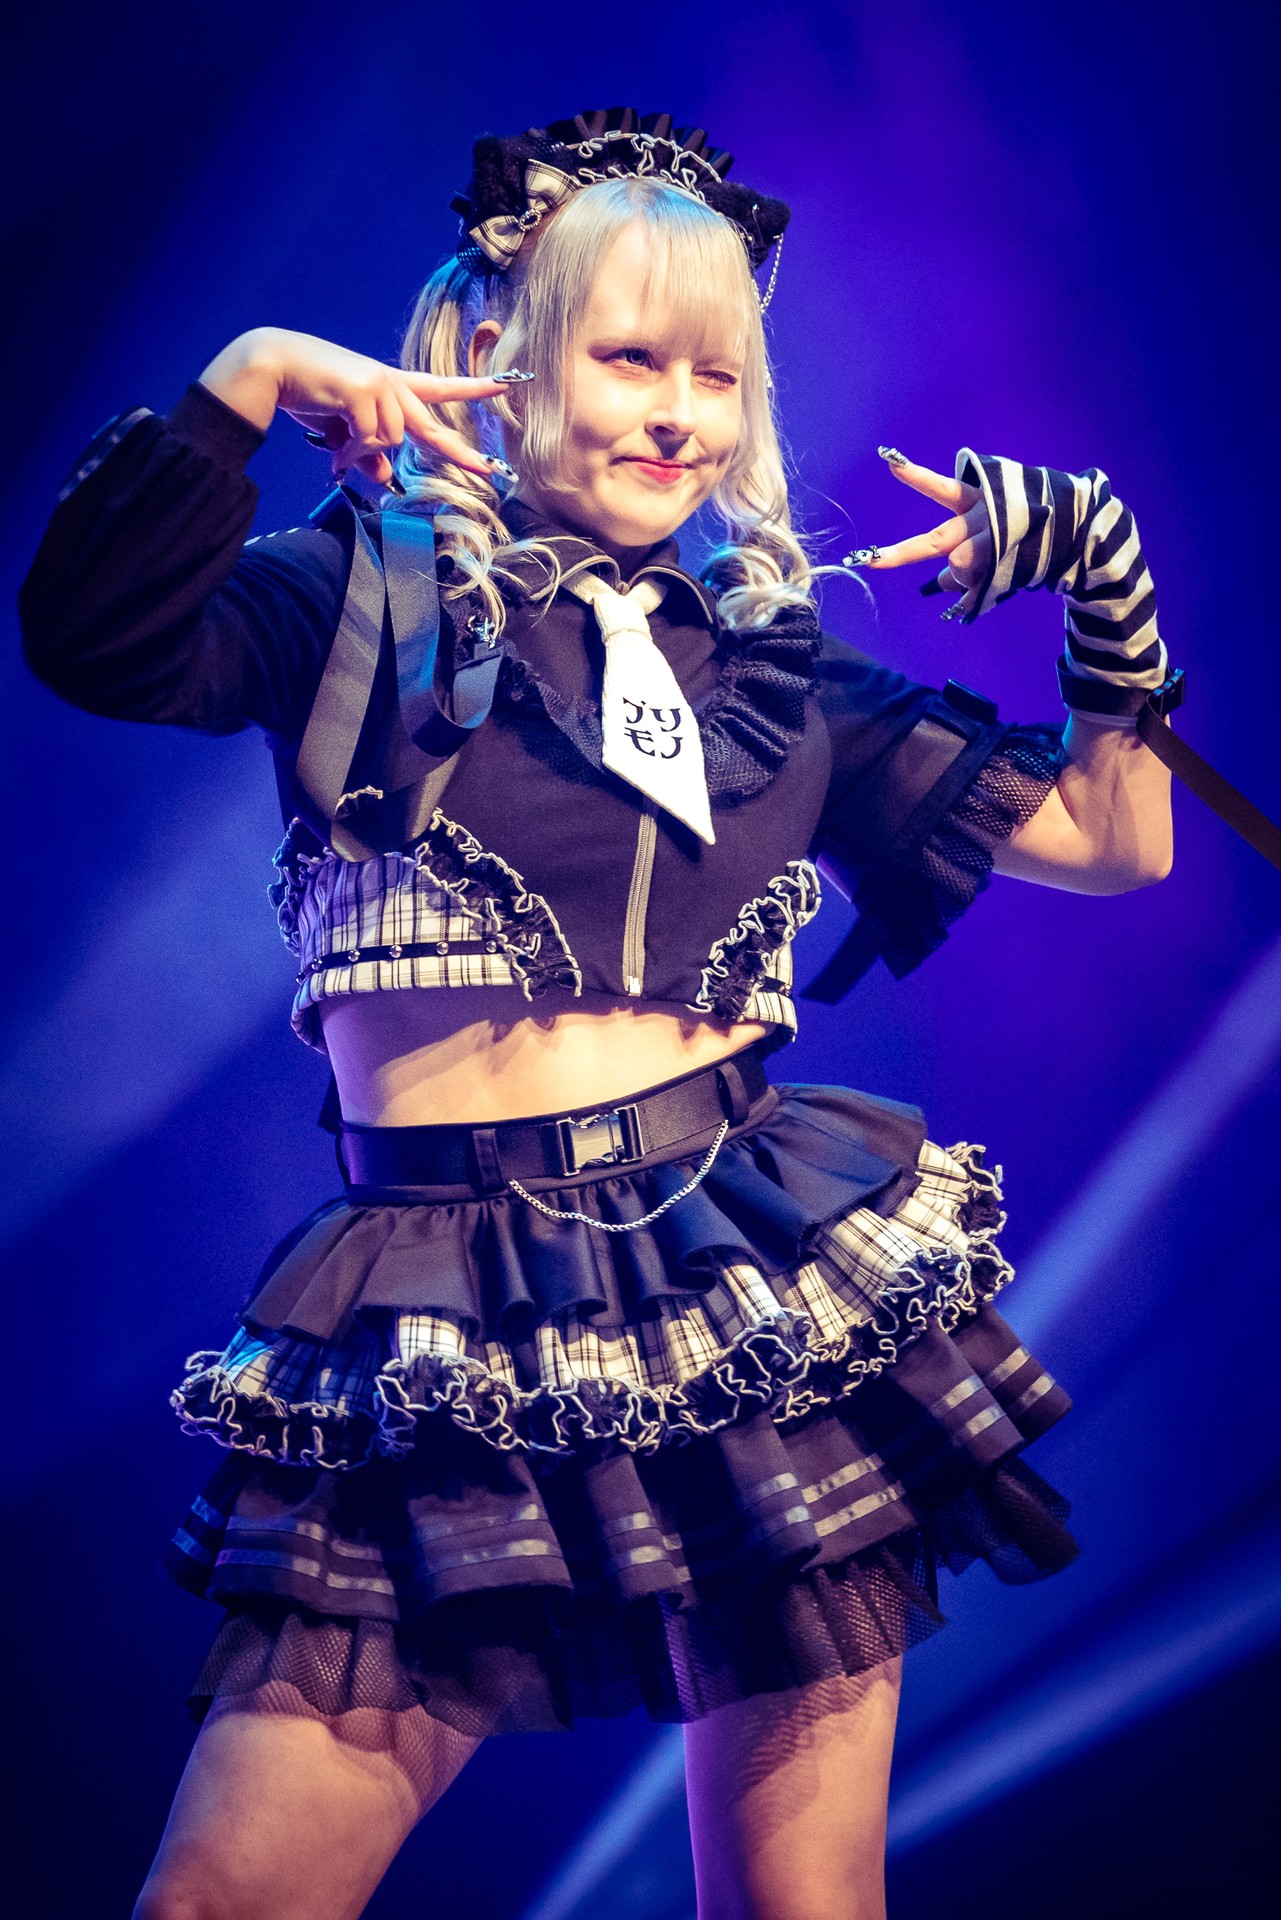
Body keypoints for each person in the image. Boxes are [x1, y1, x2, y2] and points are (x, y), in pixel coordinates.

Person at [20, 107, 1174, 1920]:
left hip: (749, 1287)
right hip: (447, 1313)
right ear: (496, 347)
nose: (679, 415)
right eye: (632, 358)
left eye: (715, 376)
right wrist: (242, 381)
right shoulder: (352, 597)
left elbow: (1117, 842)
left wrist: (1103, 584)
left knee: (800, 1905)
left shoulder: (774, 667)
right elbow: (93, 643)